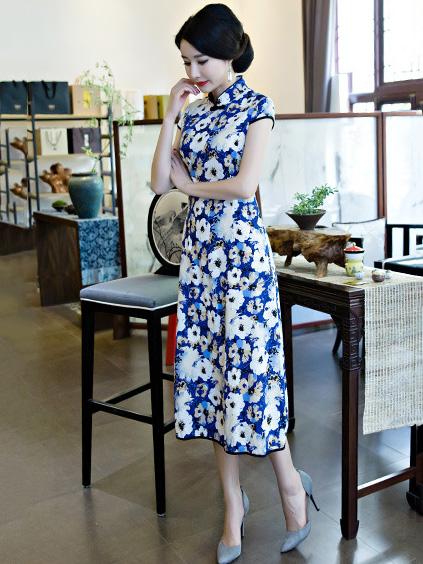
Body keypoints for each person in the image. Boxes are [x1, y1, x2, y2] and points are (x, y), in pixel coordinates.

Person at [151, 4, 318, 562]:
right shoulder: (193, 113)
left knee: (253, 378)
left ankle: (291, 487)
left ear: (228, 54)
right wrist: (171, 115)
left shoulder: (258, 107)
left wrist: (193, 186)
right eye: (185, 62)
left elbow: (245, 187)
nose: (192, 72)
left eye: (200, 60)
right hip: (201, 263)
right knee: (214, 381)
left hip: (243, 264)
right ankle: (232, 507)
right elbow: (159, 181)